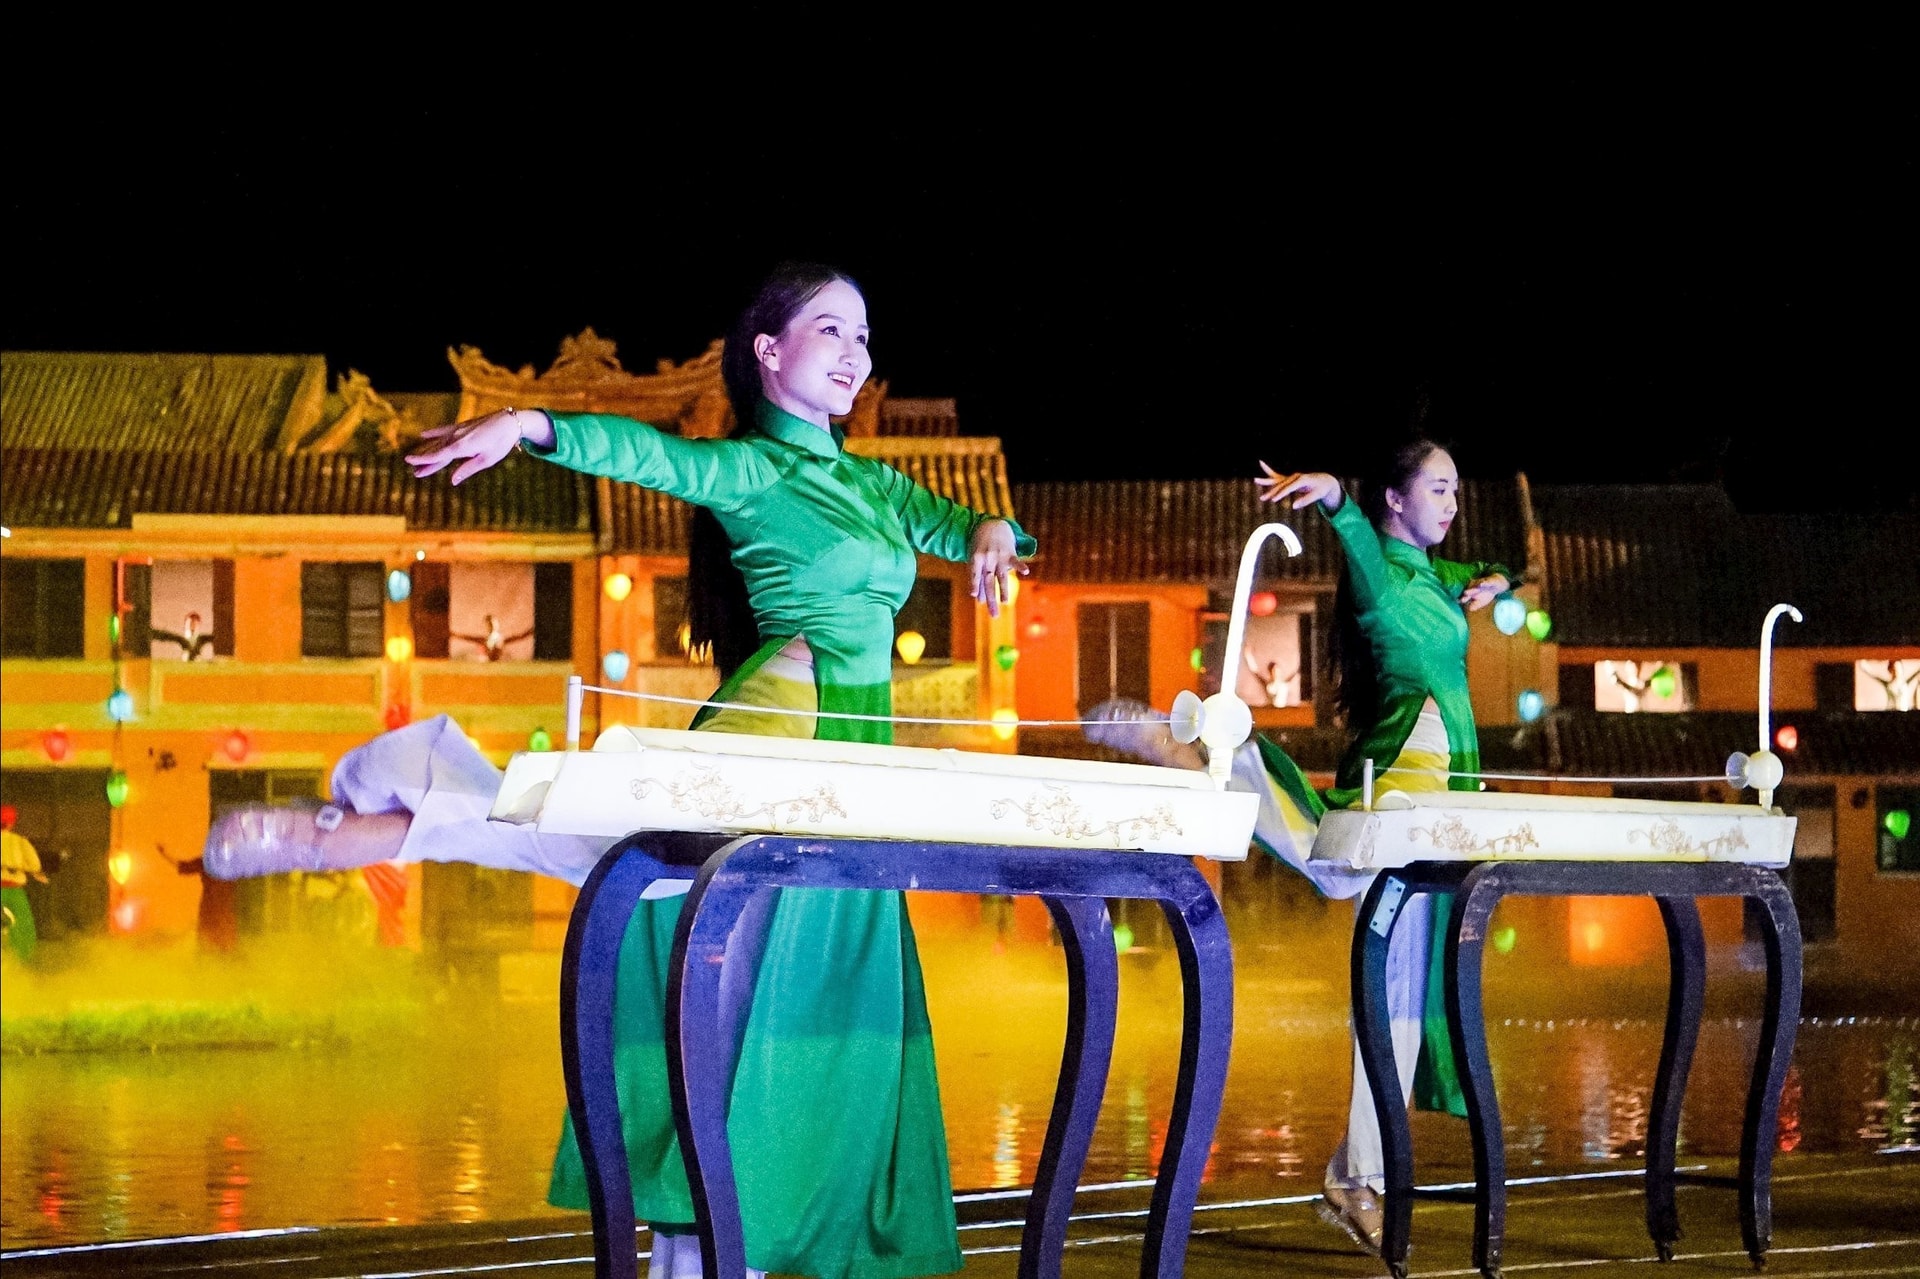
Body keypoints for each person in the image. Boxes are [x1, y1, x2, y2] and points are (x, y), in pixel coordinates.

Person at [203, 262, 1034, 1279]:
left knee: (769, 991)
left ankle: (394, 814)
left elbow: (961, 523)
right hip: (791, 717)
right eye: (830, 329)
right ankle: (396, 803)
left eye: (863, 334)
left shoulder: (873, 486)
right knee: (652, 870)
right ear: (768, 351)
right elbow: (646, 455)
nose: (855, 353)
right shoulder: (753, 470)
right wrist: (532, 426)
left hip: (854, 761)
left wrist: (992, 532)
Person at [1087, 437, 1513, 1255]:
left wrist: (1498, 580)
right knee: (1342, 869)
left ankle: (1359, 1172)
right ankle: (1216, 752)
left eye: (1457, 490)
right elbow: (1355, 536)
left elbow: (1492, 571)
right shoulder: (1382, 572)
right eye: (1438, 488)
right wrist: (1335, 497)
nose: (1453, 503)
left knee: (1399, 983)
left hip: (1449, 785)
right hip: (1406, 771)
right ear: (1395, 500)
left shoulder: (1436, 576)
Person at [1, 804, 49, 962]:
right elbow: (35, 865)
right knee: (23, 924)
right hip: (14, 890)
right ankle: (21, 958)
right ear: (11, 823)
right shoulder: (20, 842)